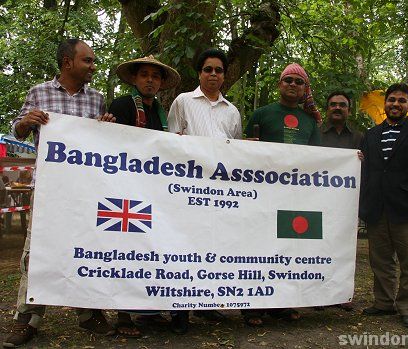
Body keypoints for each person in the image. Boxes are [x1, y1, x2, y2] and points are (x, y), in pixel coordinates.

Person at [3, 38, 116, 348]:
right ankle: (27, 317)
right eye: (88, 61)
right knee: (36, 250)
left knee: (87, 244)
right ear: (68, 62)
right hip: (50, 187)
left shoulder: (96, 99)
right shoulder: (39, 92)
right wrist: (26, 121)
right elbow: (18, 129)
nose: (93, 66)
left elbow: (102, 142)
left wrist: (106, 125)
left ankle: (88, 312)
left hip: (86, 188)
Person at [167, 48, 242, 333]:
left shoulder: (232, 111)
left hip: (221, 193)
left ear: (224, 76)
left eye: (218, 70)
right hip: (188, 188)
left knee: (213, 245)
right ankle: (179, 311)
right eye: (208, 69)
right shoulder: (183, 101)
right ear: (199, 73)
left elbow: (235, 151)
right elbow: (173, 142)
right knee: (183, 246)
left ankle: (206, 302)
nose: (213, 74)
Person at [242, 62, 321, 326]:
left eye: (299, 82)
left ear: (304, 90)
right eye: (288, 80)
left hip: (295, 198)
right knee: (257, 248)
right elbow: (241, 153)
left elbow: (320, 160)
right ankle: (252, 306)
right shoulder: (261, 114)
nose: (293, 85)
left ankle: (280, 303)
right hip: (261, 196)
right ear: (279, 84)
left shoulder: (311, 121)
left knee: (287, 250)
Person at [109, 54, 180, 337]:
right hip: (127, 191)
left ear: (161, 83)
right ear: (135, 79)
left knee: (153, 250)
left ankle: (149, 311)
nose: (150, 80)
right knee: (127, 250)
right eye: (144, 75)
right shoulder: (123, 105)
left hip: (155, 193)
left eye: (155, 76)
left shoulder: (161, 113)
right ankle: (124, 315)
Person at [359, 83, 408, 328]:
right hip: (377, 209)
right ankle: (384, 303)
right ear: (386, 103)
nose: (396, 104)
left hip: (407, 209)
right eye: (392, 99)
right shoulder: (370, 135)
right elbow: (366, 172)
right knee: (380, 260)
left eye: (401, 100)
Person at [314, 91, 363, 312]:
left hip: (346, 206)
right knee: (318, 248)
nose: (337, 108)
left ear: (348, 110)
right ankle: (317, 295)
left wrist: (362, 160)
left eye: (342, 105)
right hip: (319, 202)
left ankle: (341, 294)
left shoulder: (359, 138)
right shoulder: (316, 134)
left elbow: (368, 167)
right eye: (332, 104)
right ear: (327, 108)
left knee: (343, 249)